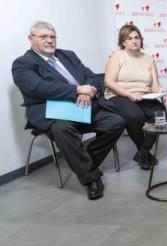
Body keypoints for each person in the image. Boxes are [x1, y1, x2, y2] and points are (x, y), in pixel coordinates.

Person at [12, 21, 125, 200]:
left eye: (52, 37)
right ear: (30, 39)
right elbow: (37, 88)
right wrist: (77, 90)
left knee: (116, 122)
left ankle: (86, 163)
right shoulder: (22, 63)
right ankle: (91, 179)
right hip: (53, 111)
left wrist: (89, 91)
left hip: (83, 106)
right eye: (43, 37)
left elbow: (93, 77)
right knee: (62, 129)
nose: (49, 40)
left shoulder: (68, 55)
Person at [104, 24, 167, 170]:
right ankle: (143, 152)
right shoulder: (117, 56)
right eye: (129, 38)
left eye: (136, 37)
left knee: (161, 114)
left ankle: (142, 152)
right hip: (120, 94)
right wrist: (129, 94)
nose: (134, 41)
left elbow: (154, 85)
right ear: (123, 42)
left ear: (141, 39)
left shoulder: (149, 59)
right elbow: (109, 81)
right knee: (135, 116)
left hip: (143, 96)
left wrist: (161, 90)